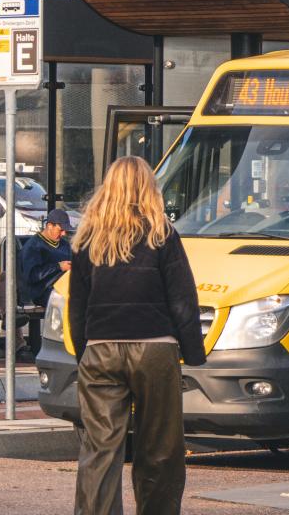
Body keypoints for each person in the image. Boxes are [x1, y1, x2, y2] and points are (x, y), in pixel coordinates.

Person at [70, 156, 205, 515]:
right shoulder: (162, 233)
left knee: (99, 447)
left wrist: (83, 354)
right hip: (155, 348)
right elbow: (182, 300)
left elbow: (77, 305)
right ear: (148, 187)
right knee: (160, 447)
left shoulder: (88, 237)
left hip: (100, 348)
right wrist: (193, 354)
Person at [16, 208, 74, 362]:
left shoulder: (65, 245)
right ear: (49, 226)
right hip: (43, 291)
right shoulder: (33, 246)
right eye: (60, 230)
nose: (63, 234)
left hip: (66, 287)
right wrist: (58, 267)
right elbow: (32, 276)